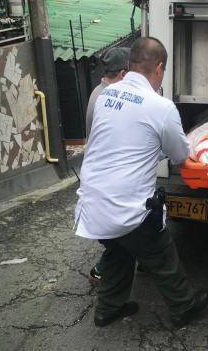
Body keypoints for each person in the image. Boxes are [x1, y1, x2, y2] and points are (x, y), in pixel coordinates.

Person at [75, 37, 208, 328]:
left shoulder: (106, 96)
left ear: (131, 63)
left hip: (93, 201)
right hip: (128, 205)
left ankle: (108, 308)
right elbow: (180, 154)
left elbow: (124, 139)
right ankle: (184, 307)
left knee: (119, 250)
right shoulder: (160, 106)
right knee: (160, 254)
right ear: (159, 68)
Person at [84, 47, 130, 283]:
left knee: (122, 238)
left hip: (101, 178)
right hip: (108, 181)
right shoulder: (110, 99)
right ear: (123, 74)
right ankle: (100, 272)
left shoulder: (99, 92)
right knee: (120, 240)